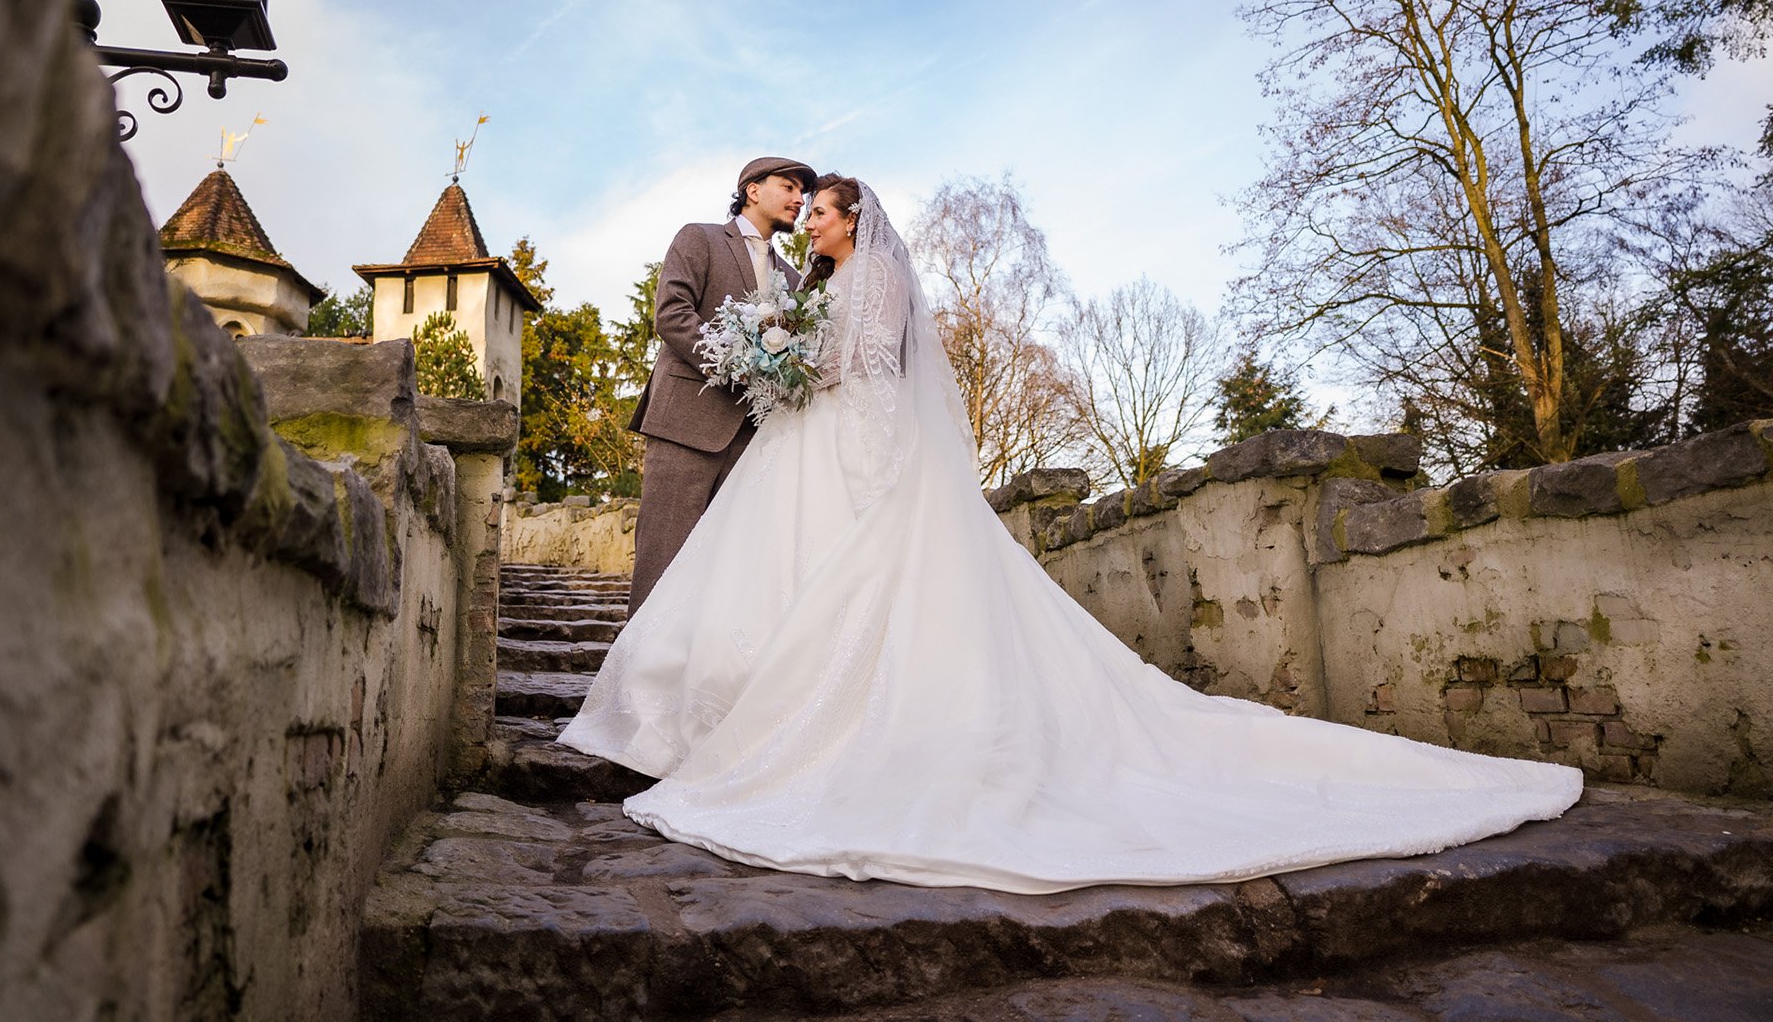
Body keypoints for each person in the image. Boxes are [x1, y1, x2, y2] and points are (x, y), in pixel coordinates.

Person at [562, 176, 1582, 893]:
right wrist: (783, 353)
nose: (809, 218)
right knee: (800, 580)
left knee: (863, 583)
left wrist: (791, 362)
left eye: (820, 208)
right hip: (812, 445)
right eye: (804, 206)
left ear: (847, 219)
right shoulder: (796, 271)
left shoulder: (864, 281)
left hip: (850, 440)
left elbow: (862, 363)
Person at [625, 156, 815, 617]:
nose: (799, 200)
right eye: (788, 187)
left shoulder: (794, 280)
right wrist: (739, 361)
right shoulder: (700, 238)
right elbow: (671, 314)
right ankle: (635, 683)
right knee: (663, 562)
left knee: (730, 573)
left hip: (756, 443)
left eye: (803, 194)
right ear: (752, 189)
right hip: (686, 424)